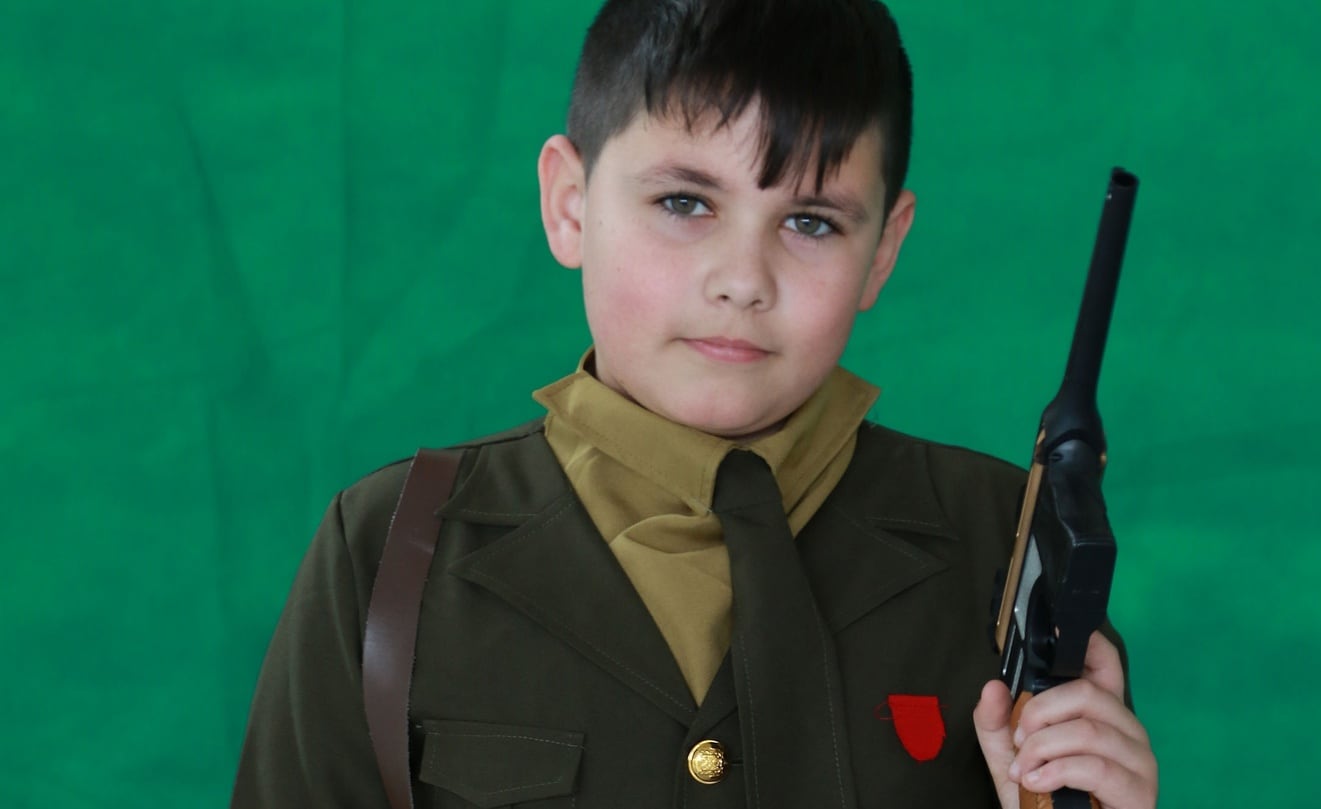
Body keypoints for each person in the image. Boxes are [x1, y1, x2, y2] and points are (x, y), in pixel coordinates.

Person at [231, 0, 1158, 807]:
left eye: (810, 221)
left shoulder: (1008, 555)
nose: (741, 280)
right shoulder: (388, 548)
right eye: (684, 202)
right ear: (569, 203)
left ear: (883, 249)